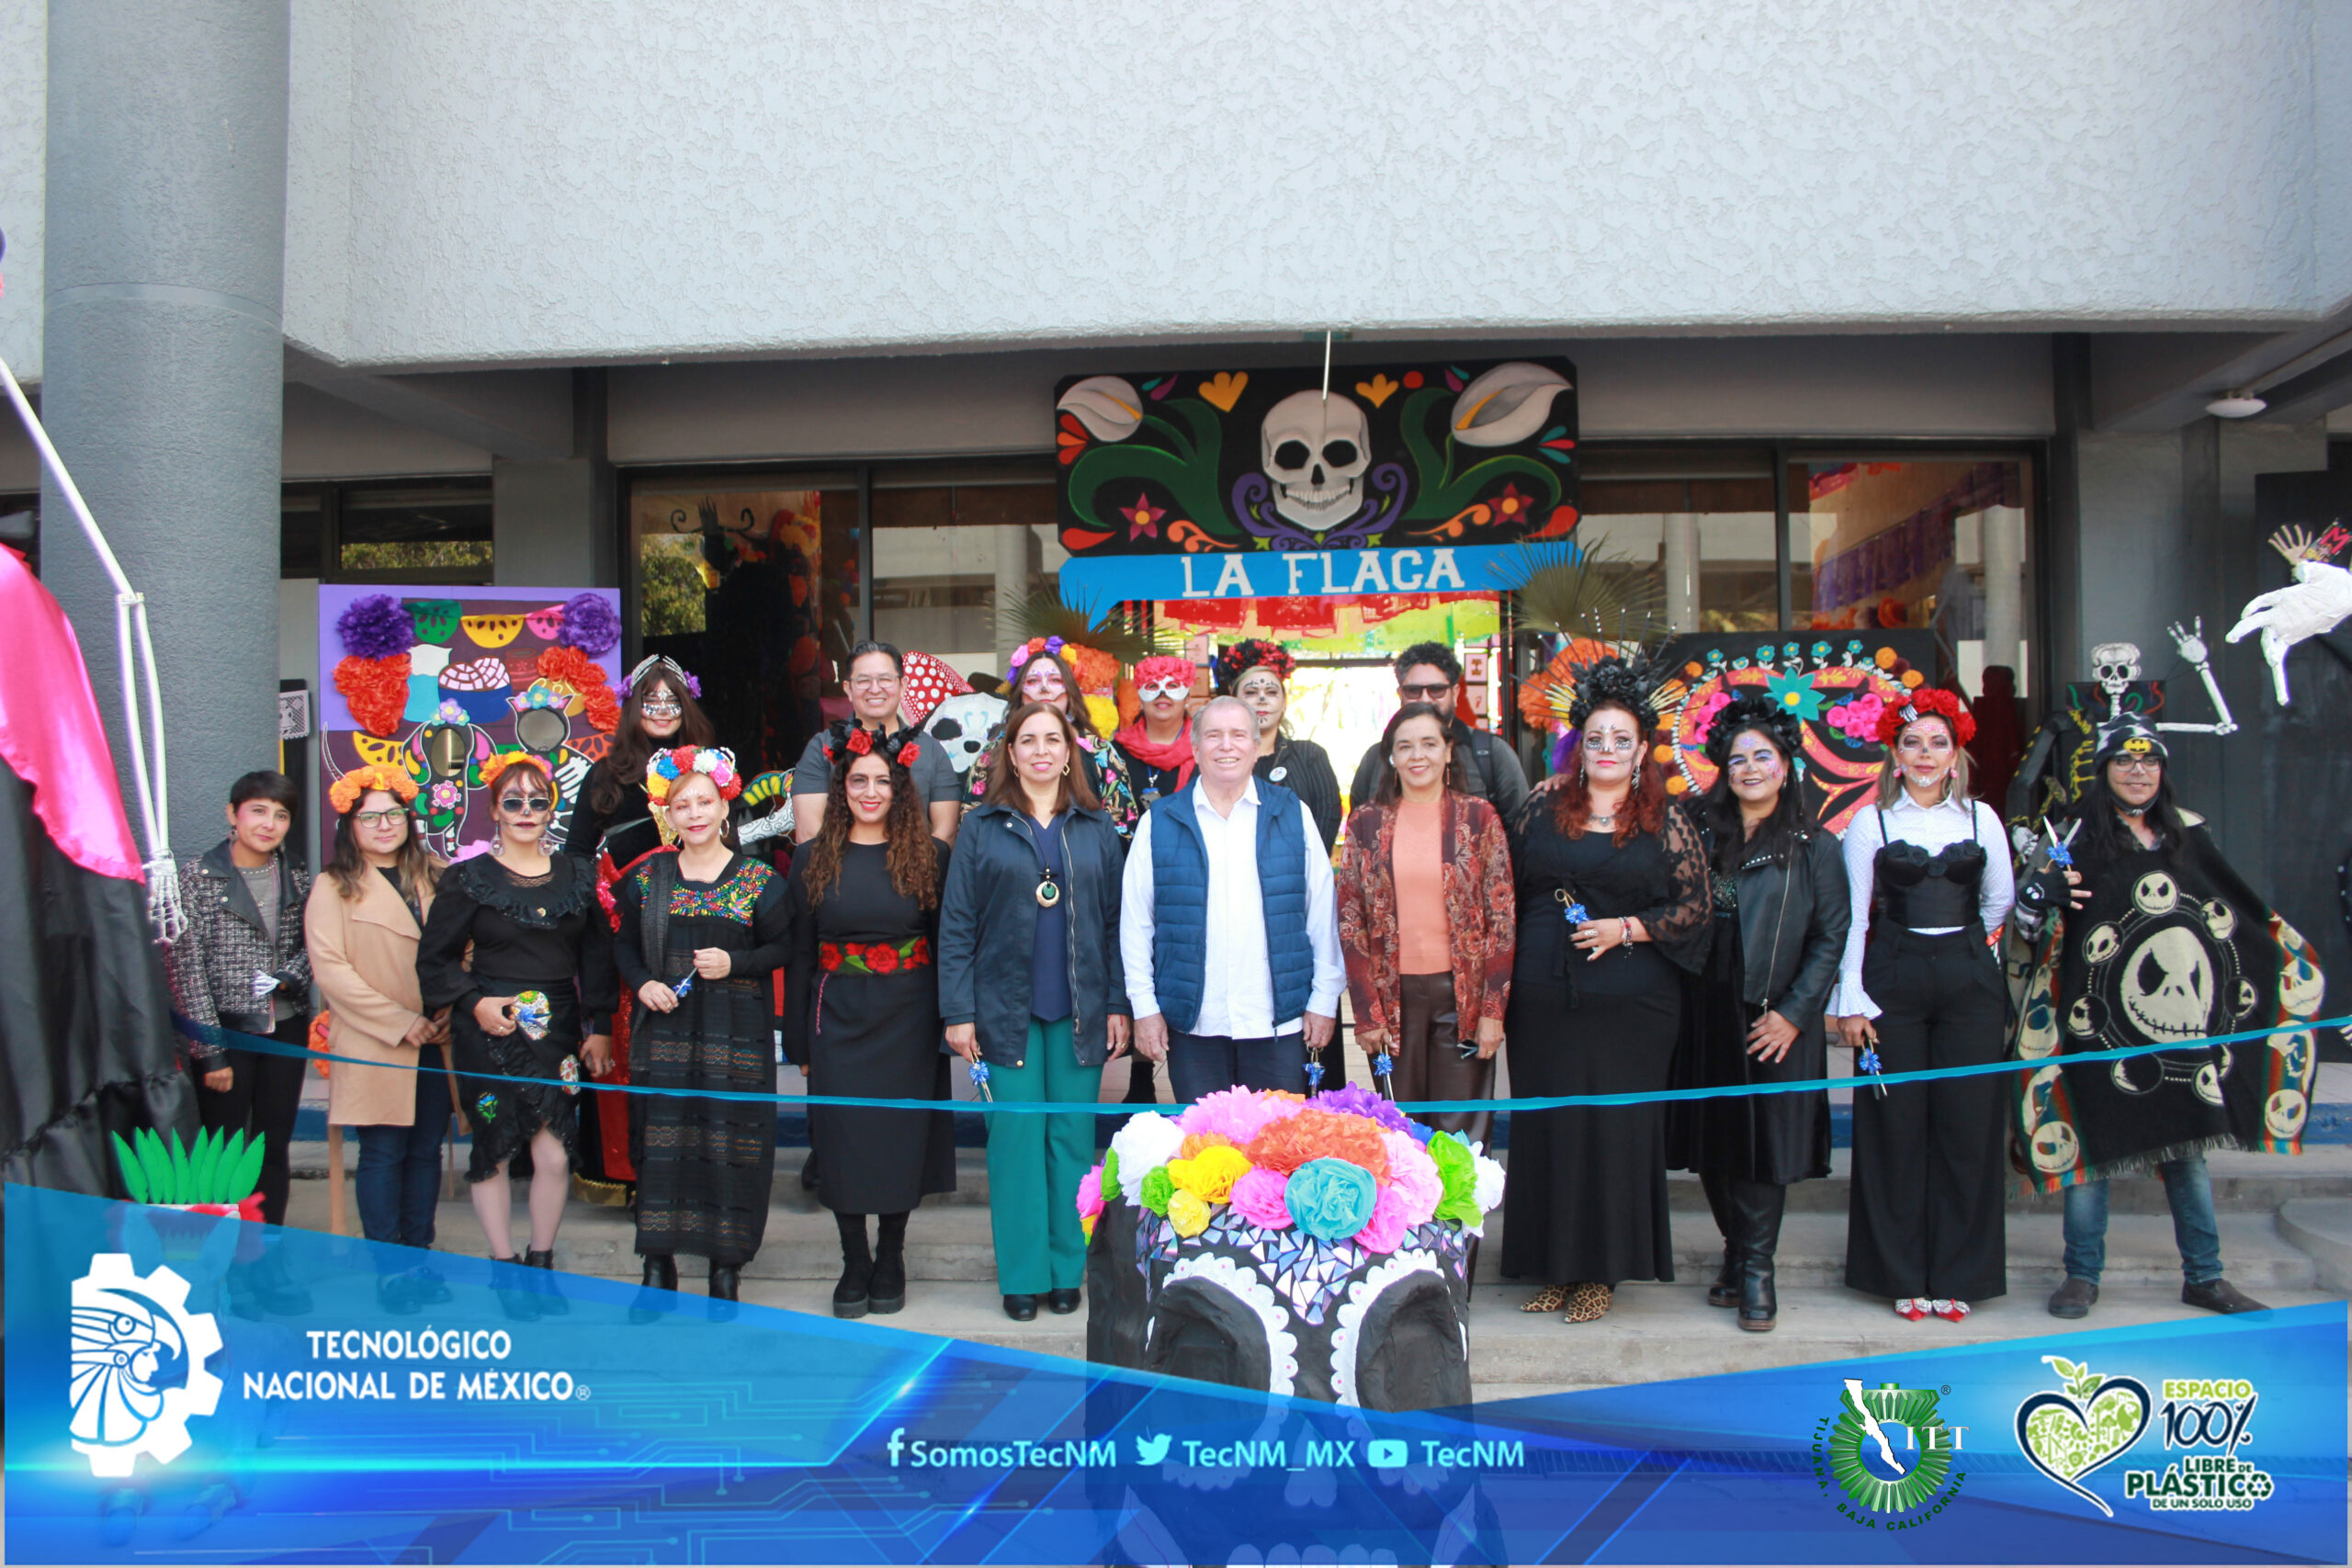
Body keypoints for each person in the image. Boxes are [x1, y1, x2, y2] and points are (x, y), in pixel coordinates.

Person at [2014, 718, 2299, 1319]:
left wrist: (2293, 960)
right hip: (2096, 1027)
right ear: (2105, 768)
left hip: (2179, 1025)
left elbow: (2231, 912)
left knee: (2187, 1149)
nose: (2137, 771)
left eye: (2148, 761)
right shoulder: (2073, 838)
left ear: (2162, 770)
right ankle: (2081, 1275)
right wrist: (2040, 898)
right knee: (2091, 1149)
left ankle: (2206, 1275)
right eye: (2123, 760)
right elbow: (2025, 931)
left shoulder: (2188, 835)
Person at [1501, 657, 1710, 1324]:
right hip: (1543, 1001)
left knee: (1614, 1130)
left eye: (1622, 739)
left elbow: (1695, 907)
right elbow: (1508, 887)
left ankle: (1602, 1272)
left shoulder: (1665, 818)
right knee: (1550, 1128)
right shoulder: (1541, 802)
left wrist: (1628, 927)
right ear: (1578, 745)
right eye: (1597, 738)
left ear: (1642, 747)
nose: (1609, 750)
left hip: (1632, 1007)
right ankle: (1554, 1266)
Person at [940, 701, 1133, 1322]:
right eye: (1030, 740)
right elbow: (958, 923)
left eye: (1054, 739)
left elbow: (1114, 925)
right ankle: (1021, 1277)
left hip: (1079, 1008)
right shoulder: (982, 826)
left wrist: (1118, 1003)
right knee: (1015, 1142)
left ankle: (1065, 1270)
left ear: (1070, 751)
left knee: (1072, 1143)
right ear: (1011, 752)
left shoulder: (1096, 825)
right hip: (1002, 1012)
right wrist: (958, 1009)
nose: (1043, 749)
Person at [1829, 689, 2015, 1324]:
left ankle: (1961, 1272)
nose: (1926, 754)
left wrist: (1968, 954)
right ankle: (1901, 1274)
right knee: (1895, 1129)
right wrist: (1851, 1000)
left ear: (1956, 750)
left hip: (1968, 981)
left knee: (1969, 1127)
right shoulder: (1870, 822)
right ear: (1894, 751)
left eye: (1938, 742)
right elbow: (1854, 917)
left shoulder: (1981, 819)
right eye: (1913, 742)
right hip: (1892, 982)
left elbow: (2000, 901)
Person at [1665, 692, 1848, 1334]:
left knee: (1767, 1143)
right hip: (1704, 1006)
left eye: (1762, 756)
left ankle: (1758, 1267)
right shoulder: (1693, 827)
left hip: (1774, 1012)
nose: (1749, 767)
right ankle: (1736, 1247)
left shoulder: (1814, 844)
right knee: (1715, 1140)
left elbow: (1831, 935)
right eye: (1737, 757)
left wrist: (1797, 1013)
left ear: (1785, 763)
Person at [416, 751, 616, 1320]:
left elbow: (597, 957)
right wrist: (474, 1004)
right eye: (513, 801)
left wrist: (598, 1026)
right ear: (495, 812)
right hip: (489, 1027)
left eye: (538, 801)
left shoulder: (580, 875)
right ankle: (503, 1267)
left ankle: (541, 1263)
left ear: (551, 809)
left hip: (557, 1026)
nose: (526, 811)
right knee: (495, 1151)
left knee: (554, 1157)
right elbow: (435, 960)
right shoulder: (467, 879)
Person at [784, 722, 956, 1320]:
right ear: (842, 785)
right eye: (859, 779)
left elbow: (946, 946)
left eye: (883, 780)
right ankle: (853, 1259)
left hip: (908, 1019)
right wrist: (797, 1033)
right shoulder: (811, 857)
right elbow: (801, 952)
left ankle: (892, 1256)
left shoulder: (930, 855)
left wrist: (948, 1021)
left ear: (900, 787)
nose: (870, 790)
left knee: (900, 1141)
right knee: (843, 1141)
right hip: (837, 1017)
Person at [615, 747, 791, 1312]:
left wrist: (736, 964)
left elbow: (787, 945)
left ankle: (725, 1268)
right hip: (664, 1035)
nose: (693, 813)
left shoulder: (759, 880)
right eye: (681, 804)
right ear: (667, 814)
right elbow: (618, 944)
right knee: (661, 1146)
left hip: (735, 1038)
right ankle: (658, 1265)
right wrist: (642, 982)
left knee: (730, 1144)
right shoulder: (648, 878)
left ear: (724, 807)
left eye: (704, 801)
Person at [1120, 696, 1345, 1100]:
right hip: (1194, 1023)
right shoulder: (1161, 821)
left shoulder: (1292, 814)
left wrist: (1324, 999)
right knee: (1204, 1154)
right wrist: (1145, 1008)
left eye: (1239, 735)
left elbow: (1322, 915)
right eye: (1214, 735)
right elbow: (1137, 924)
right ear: (1195, 747)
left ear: (1256, 746)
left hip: (1277, 1022)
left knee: (1274, 1153)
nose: (1227, 745)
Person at [560, 653, 719, 1206]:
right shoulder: (607, 774)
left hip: (699, 934)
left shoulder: (713, 770)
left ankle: (697, 1173)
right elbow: (578, 854)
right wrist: (603, 900)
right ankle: (632, 1180)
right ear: (633, 707)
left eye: (671, 701)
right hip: (625, 941)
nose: (661, 710)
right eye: (649, 701)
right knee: (630, 1058)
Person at [306, 764, 453, 1314]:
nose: (384, 824)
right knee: (384, 1152)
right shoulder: (334, 885)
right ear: (350, 825)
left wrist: (445, 1011)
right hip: (375, 1039)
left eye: (393, 813)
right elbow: (332, 970)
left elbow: (463, 946)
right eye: (370, 816)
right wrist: (399, 1021)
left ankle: (420, 1257)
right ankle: (389, 1269)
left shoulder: (435, 874)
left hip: (436, 1035)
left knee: (424, 1151)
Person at [1335, 702, 1514, 1148]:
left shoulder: (1480, 818)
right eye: (1405, 746)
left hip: (1463, 997)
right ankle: (1411, 1220)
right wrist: (1366, 1012)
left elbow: (1503, 920)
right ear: (1391, 756)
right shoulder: (1365, 822)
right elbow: (1349, 920)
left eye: (1430, 744)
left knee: (1461, 1133)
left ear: (1449, 751)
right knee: (1398, 1130)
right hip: (1392, 1000)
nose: (1419, 755)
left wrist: (1493, 1011)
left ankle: (1457, 1220)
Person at [164, 771, 313, 1241]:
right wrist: (210, 1051)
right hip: (227, 1033)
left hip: (286, 1029)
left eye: (281, 814)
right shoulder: (198, 876)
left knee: (273, 1146)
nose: (269, 824)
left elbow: (319, 943)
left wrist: (296, 974)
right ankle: (219, 1260)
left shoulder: (298, 873)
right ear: (233, 814)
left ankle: (267, 1257)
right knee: (223, 1149)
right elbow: (185, 967)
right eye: (258, 810)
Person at [792, 641, 964, 845]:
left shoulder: (931, 751)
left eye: (885, 679)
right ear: (848, 688)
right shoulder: (822, 748)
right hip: (840, 874)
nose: (875, 689)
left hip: (917, 873)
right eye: (863, 680)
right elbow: (810, 835)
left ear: (903, 686)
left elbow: (945, 835)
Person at [965, 644, 1141, 841]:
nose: (1044, 689)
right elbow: (970, 828)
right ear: (1019, 693)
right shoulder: (992, 754)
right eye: (1032, 681)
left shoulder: (1100, 754)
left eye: (1055, 680)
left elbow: (1122, 833)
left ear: (1071, 691)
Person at [1347, 642, 1528, 823]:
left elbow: (1520, 834)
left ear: (1455, 693)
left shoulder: (1491, 754)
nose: (1425, 699)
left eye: (1436, 690)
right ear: (1400, 693)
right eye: (1413, 691)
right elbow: (1361, 829)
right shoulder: (1376, 757)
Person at [1216, 639, 1341, 852]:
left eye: (1272, 692)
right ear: (1233, 700)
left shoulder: (1309, 756)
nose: (1262, 698)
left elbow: (1326, 821)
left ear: (1284, 703)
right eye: (1251, 692)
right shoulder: (1216, 758)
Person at [1112, 654, 1200, 807]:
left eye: (1172, 686)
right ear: (1140, 698)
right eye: (1152, 686)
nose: (1162, 693)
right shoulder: (1115, 754)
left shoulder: (1205, 749)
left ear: (1188, 698)